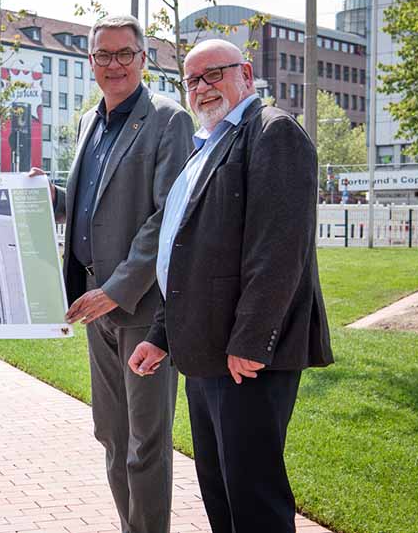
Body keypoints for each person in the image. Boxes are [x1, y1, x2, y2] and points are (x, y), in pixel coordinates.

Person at [128, 39, 334, 533]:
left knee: (254, 499)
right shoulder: (209, 145)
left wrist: (251, 339)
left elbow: (279, 249)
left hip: (245, 358)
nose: (202, 89)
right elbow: (186, 254)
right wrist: (161, 335)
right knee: (221, 490)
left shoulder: (272, 133)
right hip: (206, 352)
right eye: (192, 80)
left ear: (245, 72)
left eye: (212, 75)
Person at [33, 14, 193, 533]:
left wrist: (116, 289)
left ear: (144, 60)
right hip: (93, 307)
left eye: (126, 54)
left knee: (146, 444)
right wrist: (46, 197)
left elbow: (165, 217)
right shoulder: (89, 122)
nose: (115, 64)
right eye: (104, 55)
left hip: (141, 311)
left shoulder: (169, 120)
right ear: (91, 62)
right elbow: (94, 205)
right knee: (112, 436)